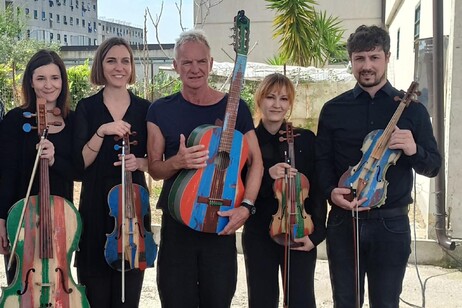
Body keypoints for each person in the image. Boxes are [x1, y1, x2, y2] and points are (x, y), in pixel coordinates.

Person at [316, 25, 441, 307]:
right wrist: (329, 192)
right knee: (345, 302)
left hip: (391, 224)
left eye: (374, 57)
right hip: (343, 221)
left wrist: (413, 149)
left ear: (387, 57)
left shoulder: (413, 111)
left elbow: (433, 166)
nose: (367, 66)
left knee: (386, 303)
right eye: (360, 58)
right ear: (351, 61)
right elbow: (322, 161)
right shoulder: (333, 109)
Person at [146, 29, 263, 307]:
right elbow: (154, 168)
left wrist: (246, 206)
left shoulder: (236, 109)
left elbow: (256, 161)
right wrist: (178, 162)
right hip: (178, 225)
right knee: (176, 301)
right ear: (176, 66)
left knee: (218, 300)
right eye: (186, 62)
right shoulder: (160, 110)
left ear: (211, 64)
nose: (195, 69)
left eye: (201, 62)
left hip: (221, 222)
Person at [73, 37, 152, 307]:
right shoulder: (87, 107)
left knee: (128, 296)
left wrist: (139, 163)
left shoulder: (145, 108)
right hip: (95, 205)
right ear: (101, 65)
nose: (119, 67)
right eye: (111, 60)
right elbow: (79, 164)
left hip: (133, 210)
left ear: (131, 67)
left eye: (125, 61)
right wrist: (101, 131)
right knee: (95, 292)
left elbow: (157, 161)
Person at [242, 73, 326, 308]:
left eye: (284, 99)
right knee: (261, 299)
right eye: (270, 97)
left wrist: (316, 234)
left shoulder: (306, 140)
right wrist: (267, 176)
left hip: (299, 228)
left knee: (301, 300)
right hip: (259, 232)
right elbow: (238, 190)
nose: (277, 104)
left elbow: (317, 191)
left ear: (290, 104)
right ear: (259, 100)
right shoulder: (249, 140)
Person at [0, 50, 76, 283]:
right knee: (20, 284)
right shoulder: (15, 120)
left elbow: (79, 170)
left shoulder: (73, 120)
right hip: (19, 219)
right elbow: (5, 173)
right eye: (40, 78)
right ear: (31, 82)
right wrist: (1, 219)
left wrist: (55, 160)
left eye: (55, 78)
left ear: (62, 82)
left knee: (57, 285)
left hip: (61, 221)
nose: (48, 85)